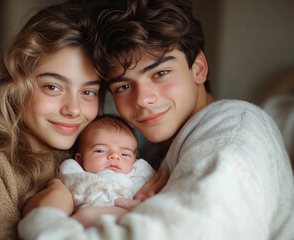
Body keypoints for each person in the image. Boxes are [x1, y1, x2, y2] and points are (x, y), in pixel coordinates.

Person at [18, 0, 294, 239]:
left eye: (160, 73)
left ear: (197, 68)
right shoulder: (157, 149)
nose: (142, 99)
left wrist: (45, 216)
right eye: (124, 86)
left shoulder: (232, 134)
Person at [0, 1, 105, 239]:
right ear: (17, 86)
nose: (74, 110)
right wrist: (54, 206)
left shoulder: (100, 153)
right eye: (53, 87)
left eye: (88, 92)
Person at [58, 114, 156, 227]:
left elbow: (146, 186)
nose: (114, 156)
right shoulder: (74, 171)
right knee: (86, 214)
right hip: (88, 213)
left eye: (125, 154)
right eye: (100, 151)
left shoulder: (134, 174)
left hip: (123, 213)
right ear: (80, 160)